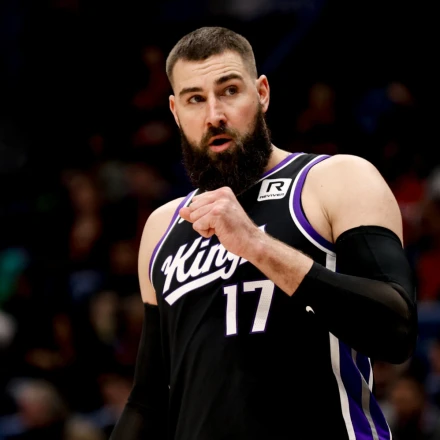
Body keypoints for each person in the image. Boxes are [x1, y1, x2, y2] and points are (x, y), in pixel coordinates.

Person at [109, 26, 418, 440]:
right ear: (175, 111)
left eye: (229, 91)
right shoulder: (162, 227)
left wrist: (256, 245)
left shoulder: (335, 179)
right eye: (195, 99)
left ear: (262, 93)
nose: (215, 115)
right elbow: (149, 400)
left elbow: (396, 331)